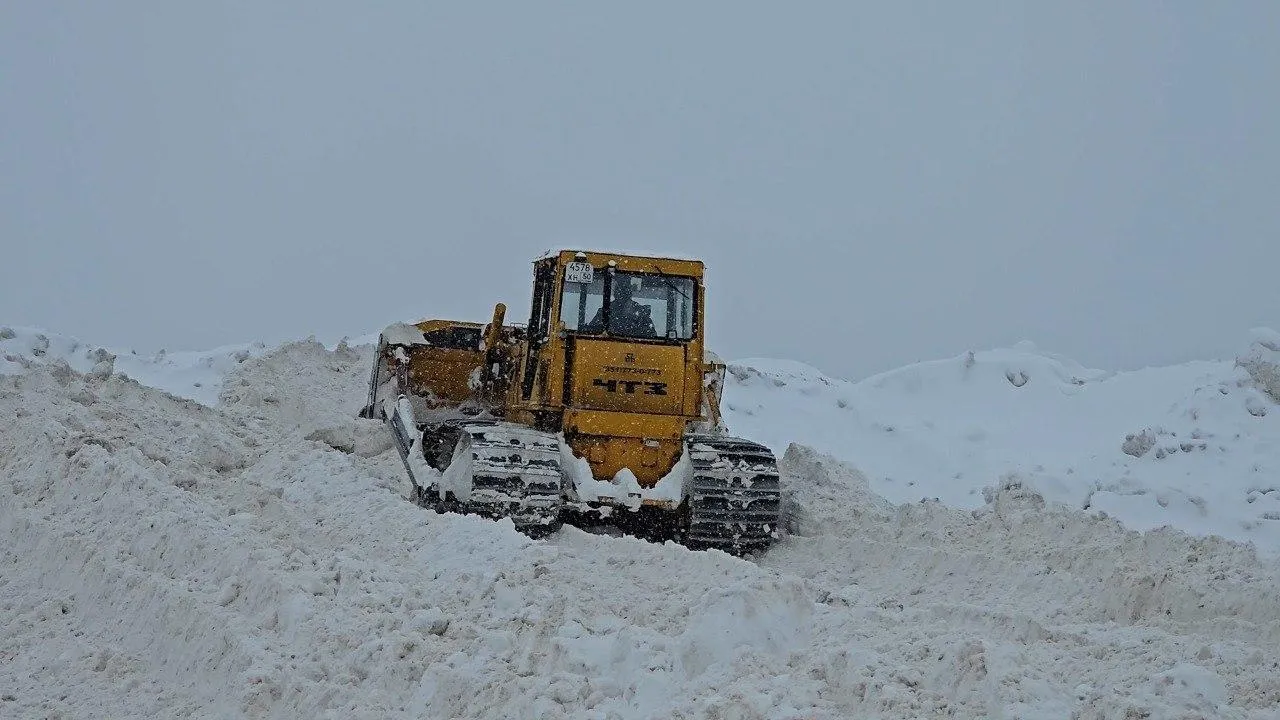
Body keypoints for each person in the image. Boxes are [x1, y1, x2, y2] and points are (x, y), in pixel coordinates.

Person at [584, 277, 656, 337]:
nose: (622, 295)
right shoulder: (604, 311)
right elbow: (592, 333)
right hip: (606, 348)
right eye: (619, 291)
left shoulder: (641, 313)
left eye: (624, 291)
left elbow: (651, 337)